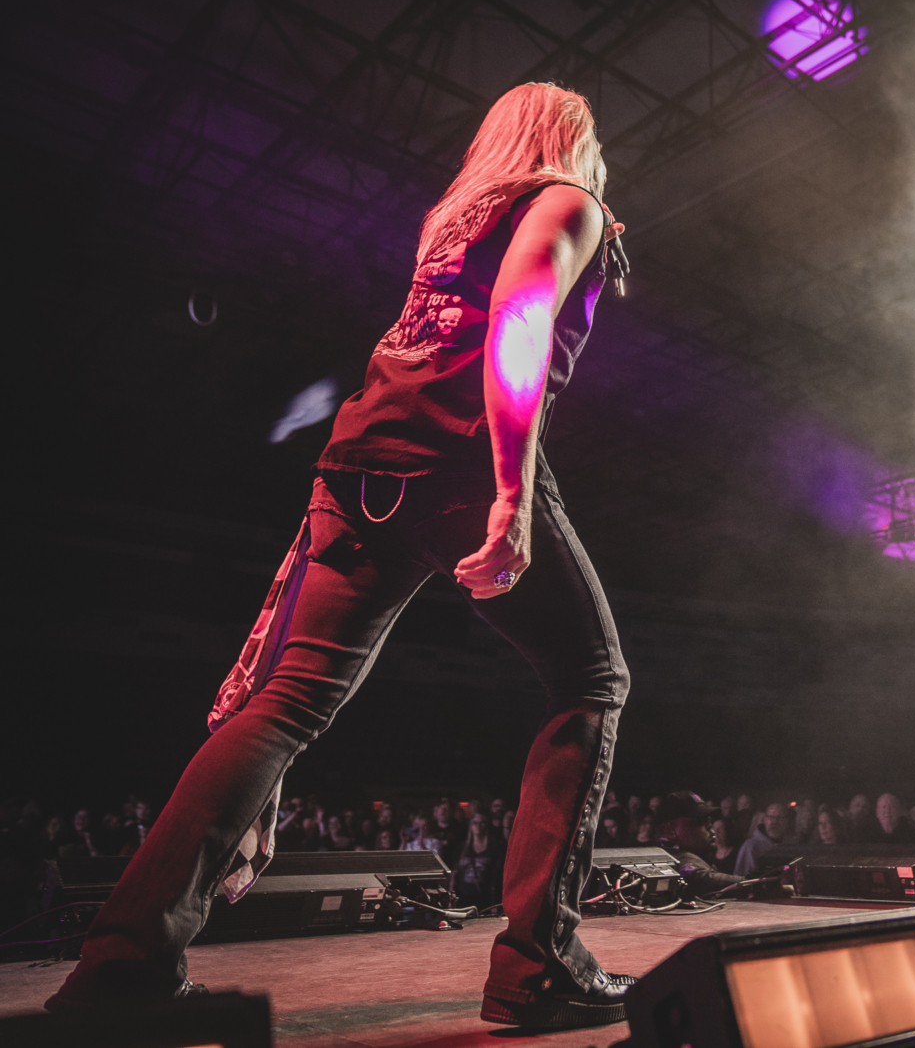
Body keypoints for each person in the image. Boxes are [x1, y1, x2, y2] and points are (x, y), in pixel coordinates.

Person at [47, 82, 633, 1032]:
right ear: (570, 141)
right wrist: (514, 498)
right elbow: (520, 326)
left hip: (361, 461)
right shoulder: (566, 202)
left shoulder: (453, 222)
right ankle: (538, 964)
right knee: (594, 680)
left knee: (282, 706)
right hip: (455, 463)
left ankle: (122, 963)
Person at [455, 812, 506, 910]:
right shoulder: (462, 849)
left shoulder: (494, 849)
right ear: (471, 826)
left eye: (482, 822)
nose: (478, 825)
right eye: (475, 822)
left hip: (485, 899)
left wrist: (495, 902)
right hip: (464, 898)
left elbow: (497, 878)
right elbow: (454, 874)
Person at [734, 802, 792, 877]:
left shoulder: (791, 846)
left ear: (787, 821)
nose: (775, 822)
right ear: (765, 820)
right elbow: (743, 882)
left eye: (779, 818)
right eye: (771, 817)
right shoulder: (751, 847)